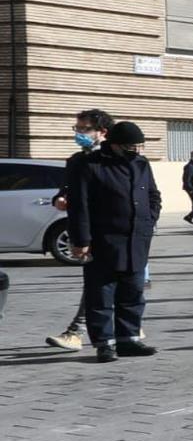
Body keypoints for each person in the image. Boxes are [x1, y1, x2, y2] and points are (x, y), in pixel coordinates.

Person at [68, 120, 162, 363]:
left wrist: (149, 220)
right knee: (101, 295)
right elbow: (80, 206)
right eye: (132, 146)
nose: (136, 151)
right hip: (104, 240)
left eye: (140, 147)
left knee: (133, 293)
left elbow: (153, 195)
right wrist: (81, 240)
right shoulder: (92, 165)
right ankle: (104, 344)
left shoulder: (141, 164)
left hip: (136, 239)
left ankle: (128, 340)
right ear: (116, 145)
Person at [46, 108, 115, 351]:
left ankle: (78, 331)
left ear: (102, 132)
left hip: (113, 230)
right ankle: (125, 325)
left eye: (85, 129)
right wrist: (60, 199)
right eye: (77, 129)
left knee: (102, 284)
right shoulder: (76, 160)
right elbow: (65, 190)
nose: (79, 134)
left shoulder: (115, 159)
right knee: (101, 283)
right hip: (87, 229)